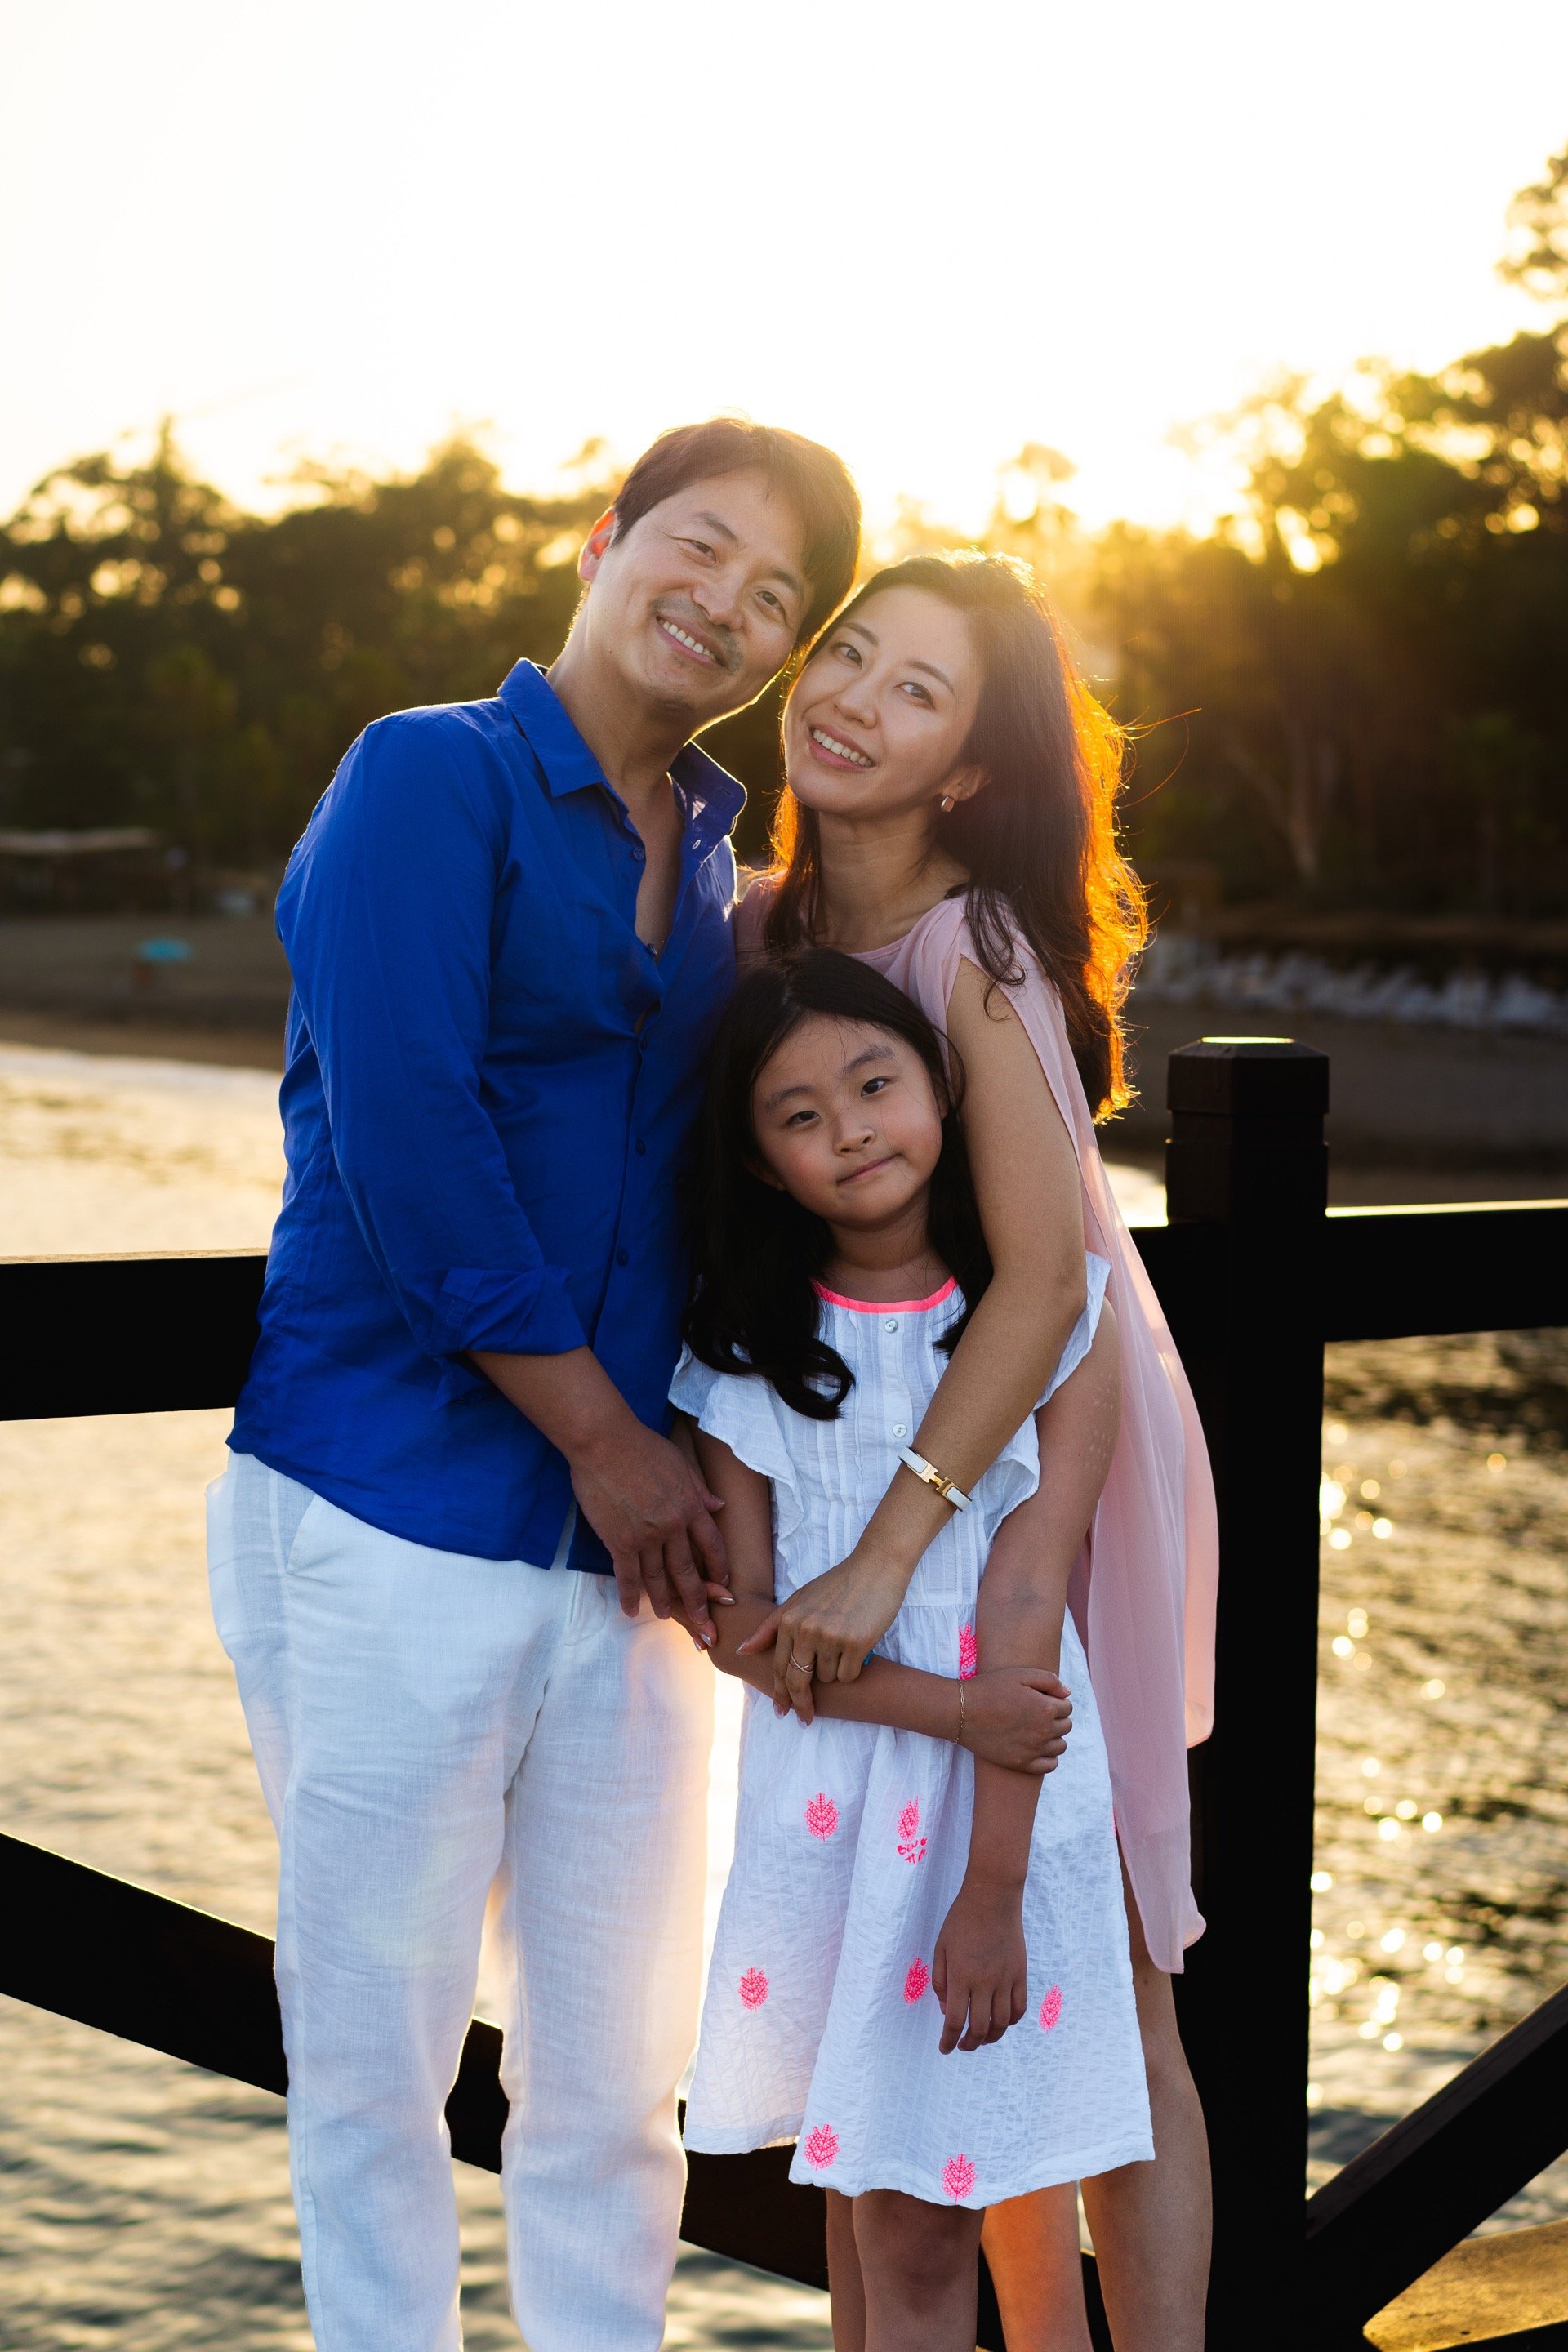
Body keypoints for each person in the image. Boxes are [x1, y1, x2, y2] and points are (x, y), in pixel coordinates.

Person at [204, 418, 860, 2352]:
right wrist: (604, 1442)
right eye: (703, 546)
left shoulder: (737, 861)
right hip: (393, 1500)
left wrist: (708, 1469)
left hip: (630, 1558)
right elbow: (410, 1139)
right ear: (606, 537)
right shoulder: (432, 775)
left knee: (609, 2095)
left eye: (773, 597)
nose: (726, 605)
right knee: (377, 2073)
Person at [738, 550, 1219, 2352]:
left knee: (1119, 1966)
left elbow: (1049, 1286)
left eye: (914, 689)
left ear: (967, 771)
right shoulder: (769, 929)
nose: (850, 695)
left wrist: (878, 1555)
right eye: (848, 653)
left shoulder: (973, 946)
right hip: (878, 1458)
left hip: (1051, 1461)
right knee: (916, 1939)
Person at [671, 950, 1149, 2352]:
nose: (852, 1129)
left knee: (923, 2229)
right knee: (866, 2212)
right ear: (760, 1164)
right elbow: (748, 1635)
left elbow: (1025, 1615)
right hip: (829, 1821)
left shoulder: (1044, 1323)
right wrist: (955, 1716)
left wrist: (991, 1892)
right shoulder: (747, 1353)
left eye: (876, 1085)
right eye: (799, 1115)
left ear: (942, 1092)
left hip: (997, 1825)